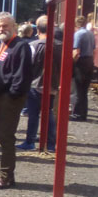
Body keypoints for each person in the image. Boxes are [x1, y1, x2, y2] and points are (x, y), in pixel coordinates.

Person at [0, 12, 32, 189]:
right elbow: (1, 72)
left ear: (14, 26)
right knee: (2, 136)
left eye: (5, 26)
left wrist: (11, 95)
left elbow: (22, 75)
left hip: (11, 98)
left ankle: (5, 176)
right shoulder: (4, 45)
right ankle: (5, 173)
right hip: (2, 96)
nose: (2, 29)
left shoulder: (20, 46)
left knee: (6, 137)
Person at [19, 15, 58, 151]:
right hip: (52, 85)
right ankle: (51, 143)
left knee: (34, 114)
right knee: (48, 112)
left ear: (38, 31)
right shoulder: (60, 46)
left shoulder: (33, 46)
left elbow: (27, 65)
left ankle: (30, 141)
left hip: (35, 85)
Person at [71, 15, 96, 121]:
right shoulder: (91, 34)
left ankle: (77, 114)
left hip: (81, 63)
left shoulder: (78, 34)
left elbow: (76, 52)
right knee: (84, 90)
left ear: (76, 24)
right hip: (90, 61)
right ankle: (84, 113)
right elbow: (95, 51)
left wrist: (72, 62)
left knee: (78, 89)